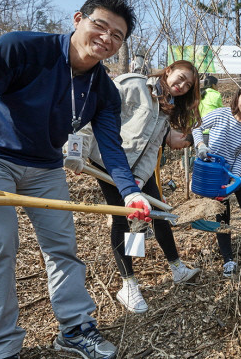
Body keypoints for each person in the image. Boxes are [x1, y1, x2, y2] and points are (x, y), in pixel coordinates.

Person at [0, 0, 149, 359]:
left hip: (46, 167)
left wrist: (129, 192)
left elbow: (111, 145)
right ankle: (0, 347)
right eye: (100, 25)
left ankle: (75, 329)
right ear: (78, 19)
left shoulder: (104, 90)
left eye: (118, 35)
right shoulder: (22, 49)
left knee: (63, 246)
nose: (107, 38)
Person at [69, 60, 202, 313]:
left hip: (139, 169)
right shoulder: (134, 85)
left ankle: (177, 268)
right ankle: (128, 284)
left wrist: (139, 181)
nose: (182, 85)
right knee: (123, 220)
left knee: (155, 216)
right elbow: (93, 111)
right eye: (181, 77)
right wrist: (78, 149)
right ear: (168, 70)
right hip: (110, 163)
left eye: (188, 85)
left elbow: (153, 148)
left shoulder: (167, 108)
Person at [192, 82, 241, 277]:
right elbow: (196, 125)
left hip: (238, 175)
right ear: (237, 98)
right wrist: (200, 144)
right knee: (222, 215)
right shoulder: (221, 114)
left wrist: (233, 182)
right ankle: (228, 260)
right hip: (215, 174)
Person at [198, 74, 224, 145]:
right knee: (213, 155)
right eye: (217, 85)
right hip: (212, 131)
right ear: (213, 85)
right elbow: (222, 112)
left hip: (198, 131)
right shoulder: (216, 95)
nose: (218, 87)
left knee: (200, 154)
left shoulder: (199, 94)